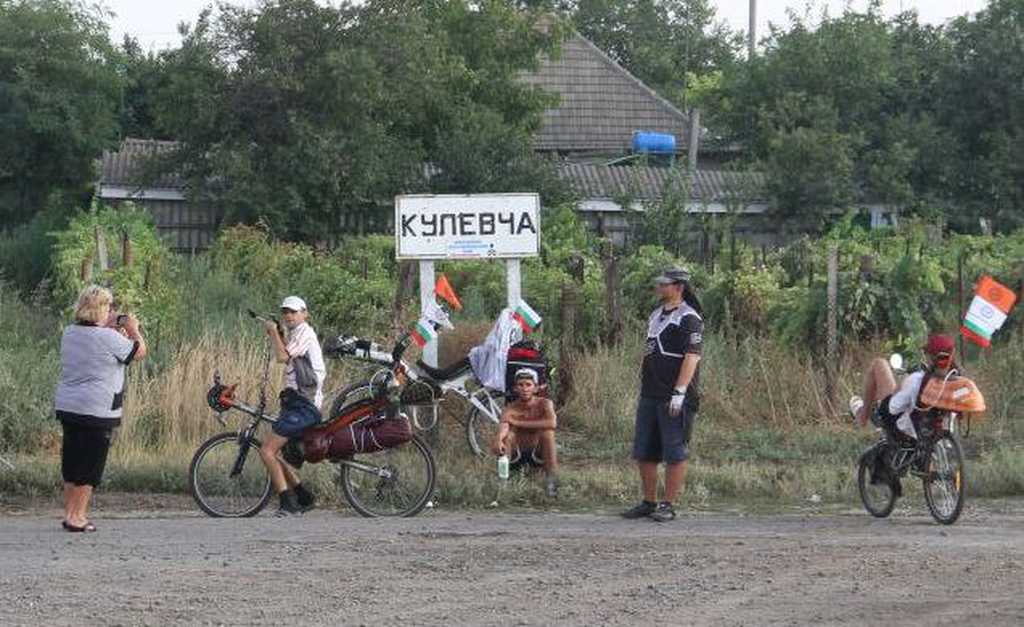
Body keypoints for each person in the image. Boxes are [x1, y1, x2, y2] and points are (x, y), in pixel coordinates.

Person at [54, 285, 147, 533]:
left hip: (69, 406)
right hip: (97, 410)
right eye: (108, 307)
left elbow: (96, 342)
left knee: (72, 462)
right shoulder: (109, 338)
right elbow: (139, 352)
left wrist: (112, 325)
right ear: (100, 310)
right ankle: (79, 517)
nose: (111, 310)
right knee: (91, 465)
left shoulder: (70, 333)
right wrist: (133, 328)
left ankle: (69, 513)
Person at [622, 267, 703, 523]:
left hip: (673, 394)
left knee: (674, 450)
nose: (659, 288)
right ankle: (649, 501)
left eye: (664, 284)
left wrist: (680, 391)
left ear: (678, 287)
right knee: (645, 450)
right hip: (650, 392)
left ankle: (668, 503)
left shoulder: (689, 318)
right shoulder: (656, 315)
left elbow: (692, 356)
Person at [856, 334, 957, 493]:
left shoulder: (917, 380)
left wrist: (900, 388)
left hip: (906, 429)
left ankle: (863, 416)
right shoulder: (957, 383)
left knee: (879, 364)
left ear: (929, 357)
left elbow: (893, 409)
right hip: (935, 432)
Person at [258, 296, 326, 516]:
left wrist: (273, 333)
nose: (289, 316)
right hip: (296, 402)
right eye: (285, 312)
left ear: (305, 313)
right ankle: (303, 495)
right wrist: (278, 332)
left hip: (304, 405)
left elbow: (281, 356)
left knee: (267, 450)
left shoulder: (305, 332)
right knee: (274, 451)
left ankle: (288, 504)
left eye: (293, 312)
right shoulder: (295, 334)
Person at [493, 369, 559, 497]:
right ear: (515, 389)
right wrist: (498, 439)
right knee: (508, 437)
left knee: (548, 434)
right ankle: (502, 484)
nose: (524, 389)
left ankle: (552, 484)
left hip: (538, 453)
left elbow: (552, 423)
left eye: (528, 385)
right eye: (520, 385)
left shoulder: (545, 403)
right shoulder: (510, 408)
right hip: (516, 454)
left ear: (535, 388)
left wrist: (518, 423)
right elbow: (504, 426)